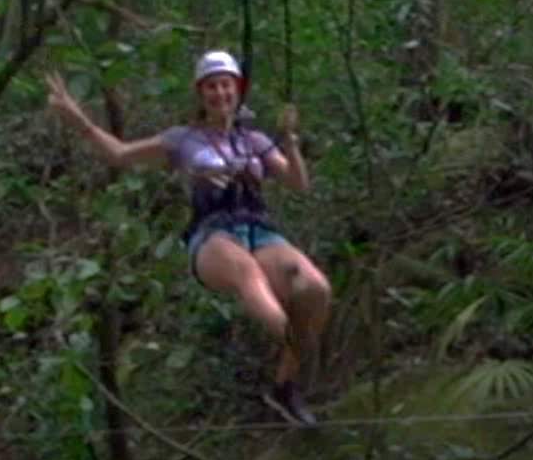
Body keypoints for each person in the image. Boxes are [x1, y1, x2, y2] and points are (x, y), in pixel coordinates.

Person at [42, 49, 333, 423]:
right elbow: (119, 154)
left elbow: (298, 183)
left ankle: (284, 387)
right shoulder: (183, 139)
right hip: (212, 235)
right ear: (201, 94)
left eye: (225, 85)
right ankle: (287, 336)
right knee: (246, 273)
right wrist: (76, 118)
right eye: (211, 87)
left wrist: (289, 142)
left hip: (258, 230)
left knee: (315, 289)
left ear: (237, 89)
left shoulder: (254, 140)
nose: (219, 94)